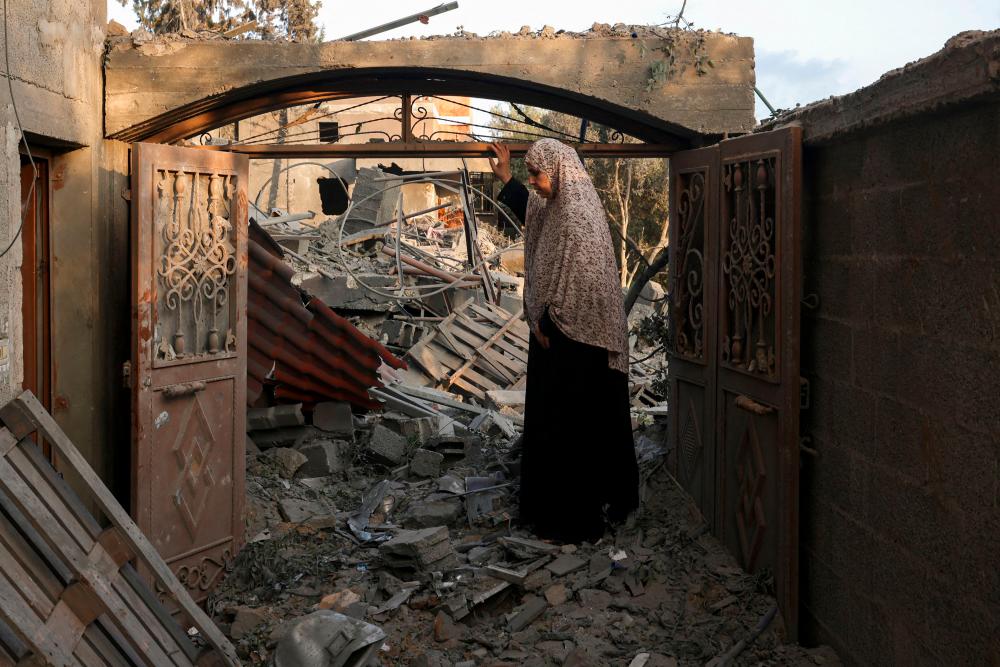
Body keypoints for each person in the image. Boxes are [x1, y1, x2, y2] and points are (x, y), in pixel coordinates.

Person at [488, 139, 639, 543]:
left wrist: (545, 318)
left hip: (580, 344)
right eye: (531, 175)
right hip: (555, 336)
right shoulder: (555, 204)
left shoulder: (576, 215)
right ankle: (545, 513)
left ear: (559, 170)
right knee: (551, 427)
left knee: (572, 432)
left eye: (537, 175)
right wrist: (507, 177)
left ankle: (573, 522)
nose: (534, 183)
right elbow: (533, 213)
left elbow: (577, 283)